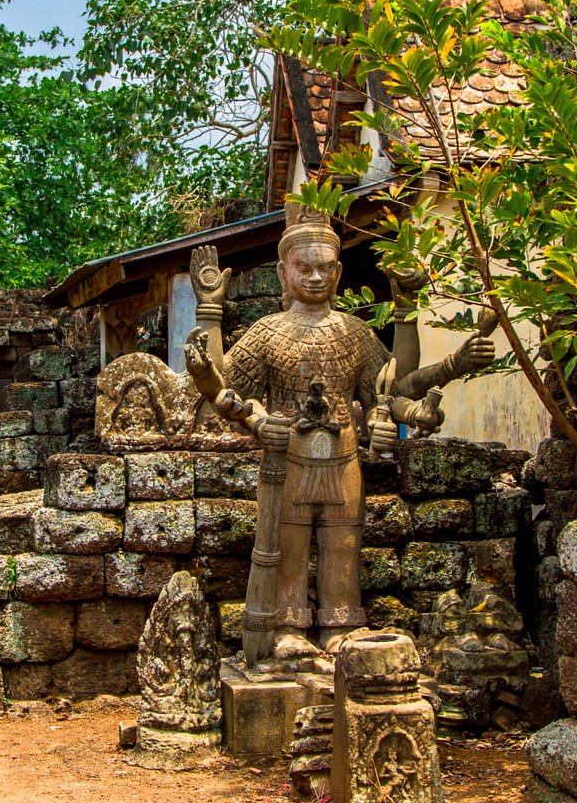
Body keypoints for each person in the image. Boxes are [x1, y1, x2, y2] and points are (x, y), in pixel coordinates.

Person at [185, 203, 493, 663]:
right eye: (303, 268)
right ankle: (288, 625)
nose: (314, 277)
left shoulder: (353, 332)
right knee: (287, 545)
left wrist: (437, 352)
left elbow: (392, 384)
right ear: (282, 273)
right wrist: (210, 310)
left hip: (344, 456)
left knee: (342, 543)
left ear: (339, 270)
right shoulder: (268, 332)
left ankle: (341, 622)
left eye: (325, 268)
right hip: (287, 457)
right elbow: (223, 385)